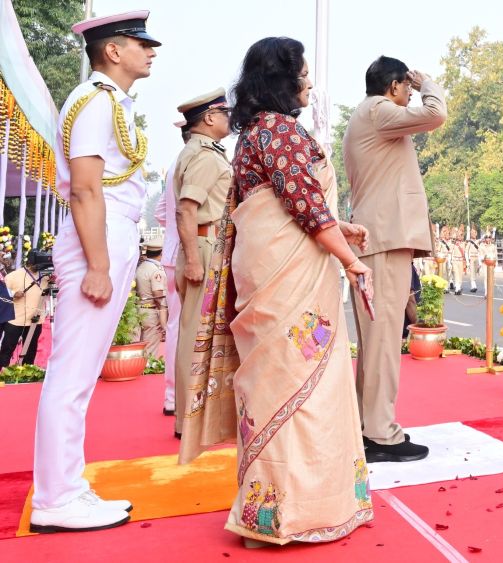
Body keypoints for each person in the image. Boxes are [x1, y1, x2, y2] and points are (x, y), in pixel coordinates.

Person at [179, 37, 374, 546]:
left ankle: (269, 514)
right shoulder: (281, 131)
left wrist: (339, 229)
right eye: (302, 75)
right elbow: (304, 207)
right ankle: (297, 513)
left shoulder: (252, 134)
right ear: (282, 81)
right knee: (300, 386)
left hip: (269, 271)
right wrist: (351, 260)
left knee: (275, 384)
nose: (308, 83)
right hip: (287, 279)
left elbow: (289, 206)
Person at [31, 10, 159, 533]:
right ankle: (56, 498)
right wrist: (99, 265)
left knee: (80, 376)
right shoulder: (95, 100)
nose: (151, 51)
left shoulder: (111, 102)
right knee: (72, 374)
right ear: (113, 50)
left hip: (110, 232)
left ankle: (66, 486)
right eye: (141, 43)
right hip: (96, 237)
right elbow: (85, 187)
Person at [344, 55, 446, 463]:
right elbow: (436, 115)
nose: (410, 93)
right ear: (394, 86)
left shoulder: (372, 115)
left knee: (377, 343)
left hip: (380, 240)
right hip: (383, 241)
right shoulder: (379, 111)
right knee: (383, 343)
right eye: (407, 86)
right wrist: (428, 84)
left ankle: (367, 428)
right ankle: (381, 433)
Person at [171, 87, 233, 438]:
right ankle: (188, 421)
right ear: (209, 118)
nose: (230, 119)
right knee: (195, 335)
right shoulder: (205, 156)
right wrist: (194, 260)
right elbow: (187, 209)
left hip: (208, 244)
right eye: (225, 113)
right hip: (205, 245)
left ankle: (195, 418)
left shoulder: (202, 152)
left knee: (201, 335)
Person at [154, 124, 189, 416]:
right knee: (184, 327)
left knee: (177, 325)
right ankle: (178, 396)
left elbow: (160, 213)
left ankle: (172, 396)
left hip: (175, 252)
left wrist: (174, 236)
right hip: (189, 254)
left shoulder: (176, 162)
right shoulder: (193, 159)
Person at [0, 254, 51, 367]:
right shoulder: (13, 276)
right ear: (30, 262)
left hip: (35, 320)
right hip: (15, 320)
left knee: (31, 350)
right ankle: (2, 372)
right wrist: (13, 294)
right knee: (7, 349)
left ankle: (27, 373)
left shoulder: (46, 277)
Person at [134, 236, 167, 360]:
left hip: (139, 309)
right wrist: (163, 313)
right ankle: (148, 366)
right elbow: (158, 295)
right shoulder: (156, 270)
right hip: (151, 311)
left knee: (141, 343)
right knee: (151, 345)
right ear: (162, 253)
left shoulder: (141, 267)